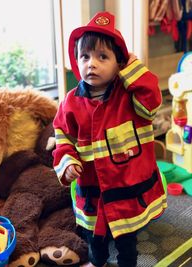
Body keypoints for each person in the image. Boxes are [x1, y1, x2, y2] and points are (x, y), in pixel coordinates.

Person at [53, 11, 167, 267]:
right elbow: (62, 136)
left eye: (102, 57)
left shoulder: (130, 96)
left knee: (127, 238)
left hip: (127, 187)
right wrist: (67, 161)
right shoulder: (71, 102)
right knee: (95, 237)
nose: (91, 64)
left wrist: (134, 70)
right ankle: (97, 262)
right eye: (85, 57)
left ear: (120, 63)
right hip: (92, 187)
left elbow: (151, 104)